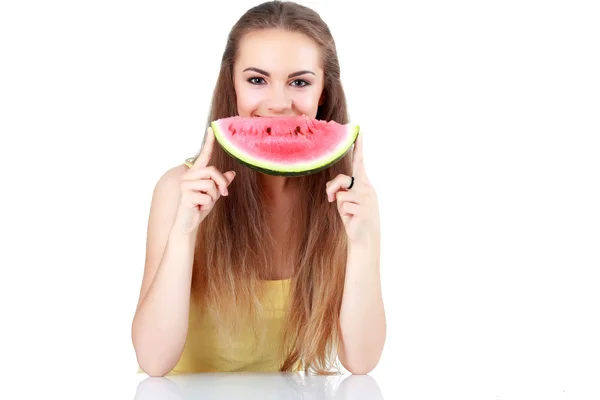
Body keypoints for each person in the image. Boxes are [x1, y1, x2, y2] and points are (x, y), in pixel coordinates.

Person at [131, 0, 386, 377]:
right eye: (256, 80)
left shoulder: (346, 199)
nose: (279, 104)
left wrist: (363, 241)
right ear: (231, 84)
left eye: (299, 82)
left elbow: (362, 362)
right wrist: (185, 233)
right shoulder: (180, 190)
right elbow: (153, 363)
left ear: (324, 92)